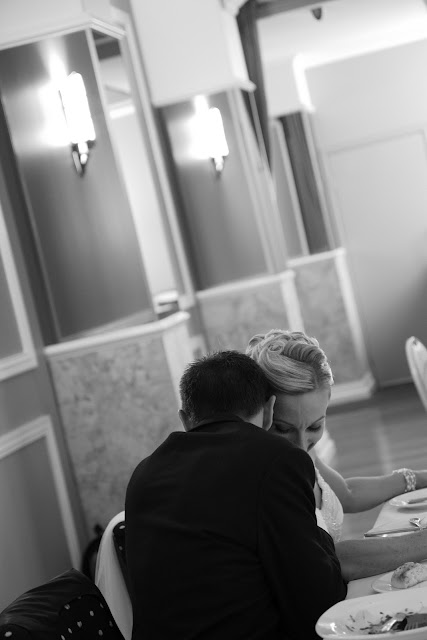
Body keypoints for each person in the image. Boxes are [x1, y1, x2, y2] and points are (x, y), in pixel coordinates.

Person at [125, 350, 347, 640]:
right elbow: (318, 600)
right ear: (269, 411)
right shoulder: (276, 459)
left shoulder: (143, 474)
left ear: (185, 419)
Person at [246, 329, 427, 582]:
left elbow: (347, 494)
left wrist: (418, 478)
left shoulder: (300, 451)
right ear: (260, 413)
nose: (301, 445)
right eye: (282, 429)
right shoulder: (262, 475)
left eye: (314, 426)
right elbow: (331, 558)